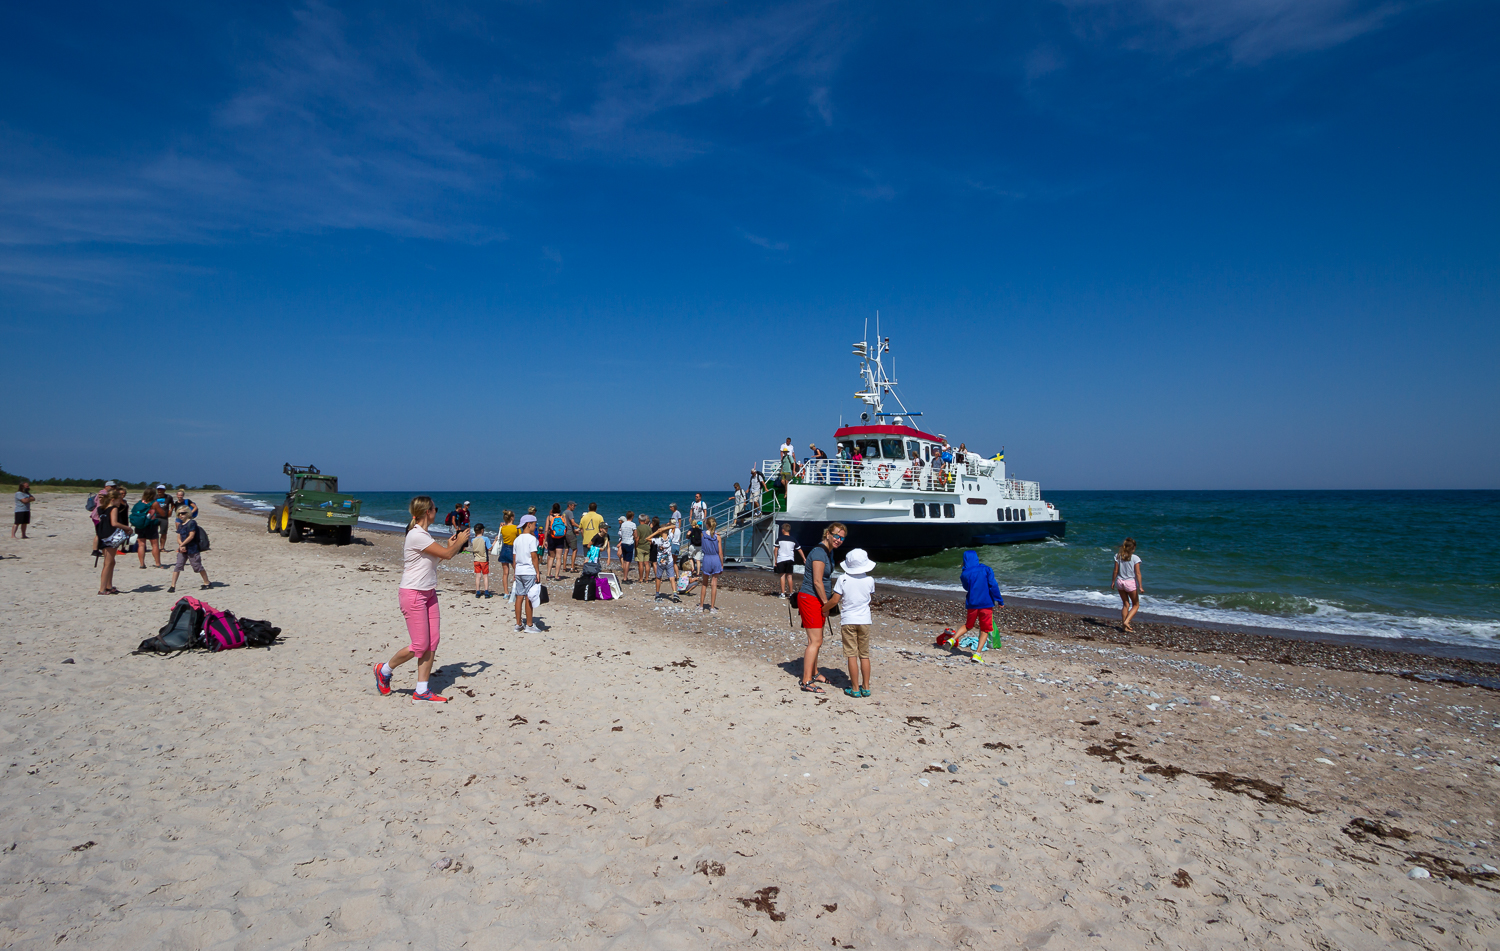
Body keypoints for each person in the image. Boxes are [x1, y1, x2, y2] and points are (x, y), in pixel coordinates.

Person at [373, 496, 470, 705]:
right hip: (413, 594)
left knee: (432, 641)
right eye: (436, 508)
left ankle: (422, 690)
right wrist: (459, 543)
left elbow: (440, 557)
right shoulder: (417, 535)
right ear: (428, 512)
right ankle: (384, 669)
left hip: (429, 593)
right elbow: (448, 555)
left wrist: (449, 545)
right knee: (419, 645)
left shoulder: (424, 535)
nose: (437, 510)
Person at [796, 523, 846, 693]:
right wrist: (827, 604)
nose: (839, 540)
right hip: (810, 598)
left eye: (842, 537)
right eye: (837, 536)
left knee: (818, 640)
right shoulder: (819, 552)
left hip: (817, 599)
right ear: (828, 534)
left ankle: (815, 672)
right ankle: (806, 681)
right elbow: (817, 581)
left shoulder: (828, 552)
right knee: (815, 641)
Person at [824, 547, 876, 697]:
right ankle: (865, 687)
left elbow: (835, 600)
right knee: (864, 654)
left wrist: (823, 609)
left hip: (848, 620)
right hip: (865, 620)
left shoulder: (843, 579)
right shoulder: (869, 580)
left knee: (851, 655)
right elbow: (868, 597)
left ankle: (854, 688)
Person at [939, 550, 1004, 661]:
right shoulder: (986, 569)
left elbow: (966, 588)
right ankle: (977, 654)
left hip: (972, 603)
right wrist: (999, 600)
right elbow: (993, 585)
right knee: (985, 629)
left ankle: (953, 639)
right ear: (976, 558)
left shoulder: (964, 574)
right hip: (986, 603)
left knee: (968, 625)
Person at [168, 503, 213, 594]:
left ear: (187, 513)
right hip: (182, 549)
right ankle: (172, 586)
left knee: (197, 566)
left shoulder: (192, 523)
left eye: (183, 513)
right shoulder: (180, 524)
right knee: (178, 566)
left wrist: (183, 544)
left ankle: (207, 582)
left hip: (192, 548)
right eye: (179, 513)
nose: (181, 515)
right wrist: (181, 545)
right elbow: (178, 537)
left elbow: (191, 536)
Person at [95, 486, 131, 594]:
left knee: (110, 562)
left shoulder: (102, 508)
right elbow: (114, 523)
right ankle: (102, 589)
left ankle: (109, 586)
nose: (120, 501)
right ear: (113, 500)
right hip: (110, 536)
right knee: (108, 562)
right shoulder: (113, 509)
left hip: (103, 536)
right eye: (118, 499)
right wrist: (127, 528)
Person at [512, 514, 542, 633]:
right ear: (529, 524)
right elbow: (534, 557)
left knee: (519, 597)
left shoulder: (517, 539)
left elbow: (514, 558)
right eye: (534, 524)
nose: (535, 527)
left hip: (519, 570)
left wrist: (515, 571)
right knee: (529, 597)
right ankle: (529, 625)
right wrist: (537, 572)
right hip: (528, 571)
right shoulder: (532, 539)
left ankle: (518, 623)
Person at [1112, 538, 1143, 633]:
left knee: (1126, 604)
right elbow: (1137, 573)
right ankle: (1127, 621)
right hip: (1130, 583)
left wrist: (1113, 582)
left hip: (1120, 582)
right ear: (1133, 548)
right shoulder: (1135, 558)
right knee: (1136, 605)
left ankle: (1124, 627)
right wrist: (1140, 586)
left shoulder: (1118, 556)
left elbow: (1115, 570)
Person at [129, 488, 163, 569]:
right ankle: (158, 563)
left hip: (140, 525)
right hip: (150, 525)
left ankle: (142, 564)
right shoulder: (154, 503)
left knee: (141, 545)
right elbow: (162, 513)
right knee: (154, 545)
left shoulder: (140, 502)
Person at [698, 516, 725, 611]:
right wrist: (722, 564)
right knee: (714, 584)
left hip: (707, 559)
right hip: (715, 559)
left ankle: (701, 606)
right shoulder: (718, 537)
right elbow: (720, 553)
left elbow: (697, 527)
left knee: (704, 583)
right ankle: (712, 607)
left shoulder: (703, 534)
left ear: (707, 525)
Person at [645, 521, 677, 599]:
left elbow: (647, 538)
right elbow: (674, 526)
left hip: (660, 562)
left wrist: (656, 532)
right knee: (672, 577)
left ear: (661, 531)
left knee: (658, 577)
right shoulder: (670, 537)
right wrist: (665, 528)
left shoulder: (658, 540)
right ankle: (675, 594)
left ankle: (657, 594)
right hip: (669, 561)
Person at [774, 522, 803, 598]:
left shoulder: (779, 539)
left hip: (781, 559)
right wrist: (804, 558)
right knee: (789, 576)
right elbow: (799, 549)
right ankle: (791, 593)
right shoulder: (793, 540)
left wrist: (775, 560)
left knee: (782, 576)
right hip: (790, 559)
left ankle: (783, 593)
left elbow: (776, 550)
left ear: (783, 530)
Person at [497, 511, 519, 601]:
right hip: (513, 548)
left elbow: (500, 534)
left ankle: (506, 592)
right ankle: (517, 591)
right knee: (517, 571)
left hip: (504, 548)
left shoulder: (502, 528)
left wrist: (501, 525)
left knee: (505, 573)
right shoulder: (516, 528)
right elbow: (520, 537)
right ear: (512, 518)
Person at [545, 503, 568, 581]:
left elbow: (546, 530)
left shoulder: (549, 517)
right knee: (558, 558)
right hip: (560, 538)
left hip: (551, 538)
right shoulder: (563, 517)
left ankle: (548, 574)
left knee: (551, 557)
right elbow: (566, 527)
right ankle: (556, 576)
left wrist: (545, 540)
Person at [471, 523, 492, 598]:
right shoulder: (485, 539)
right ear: (482, 530)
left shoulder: (473, 540)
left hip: (476, 559)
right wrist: (495, 541)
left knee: (478, 576)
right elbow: (489, 548)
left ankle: (477, 591)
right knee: (485, 576)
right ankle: (486, 591)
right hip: (484, 559)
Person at [618, 511, 637, 582]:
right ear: (632, 516)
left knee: (625, 560)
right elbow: (635, 535)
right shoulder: (633, 524)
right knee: (628, 561)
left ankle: (625, 576)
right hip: (629, 543)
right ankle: (625, 577)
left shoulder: (623, 524)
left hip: (624, 542)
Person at [563, 501, 580, 572]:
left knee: (566, 550)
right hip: (570, 533)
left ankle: (564, 567)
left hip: (564, 533)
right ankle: (572, 567)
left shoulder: (563, 512)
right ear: (570, 505)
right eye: (573, 506)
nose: (574, 507)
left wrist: (575, 530)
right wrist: (581, 526)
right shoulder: (570, 513)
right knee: (575, 549)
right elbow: (572, 523)